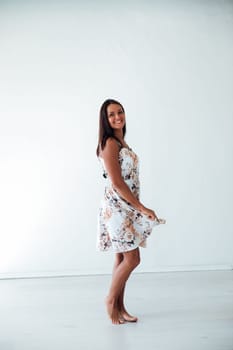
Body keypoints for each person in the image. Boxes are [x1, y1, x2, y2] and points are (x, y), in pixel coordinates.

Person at [96, 98, 165, 325]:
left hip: (126, 206)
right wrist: (142, 207)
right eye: (112, 115)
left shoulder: (121, 142)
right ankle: (109, 300)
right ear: (105, 120)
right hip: (116, 207)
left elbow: (130, 180)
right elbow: (116, 182)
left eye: (120, 112)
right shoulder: (109, 143)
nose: (118, 117)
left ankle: (120, 307)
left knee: (122, 257)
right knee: (132, 258)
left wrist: (137, 207)